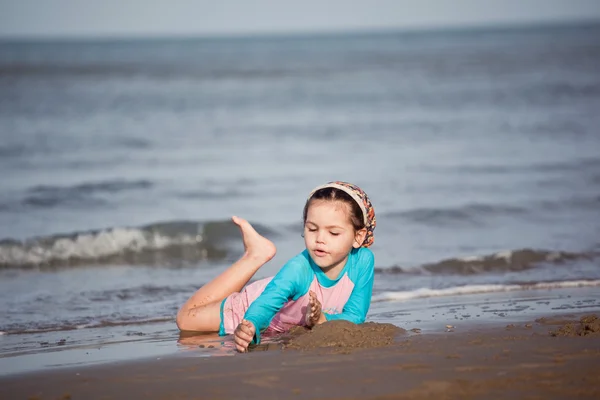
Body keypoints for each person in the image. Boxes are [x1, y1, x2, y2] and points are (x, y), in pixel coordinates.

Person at [176, 181, 376, 353]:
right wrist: (251, 324)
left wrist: (323, 319)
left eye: (333, 233)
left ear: (358, 237)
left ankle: (256, 254)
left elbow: (355, 315)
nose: (319, 240)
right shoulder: (299, 268)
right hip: (250, 306)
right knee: (186, 319)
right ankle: (254, 256)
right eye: (312, 229)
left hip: (277, 313)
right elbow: (267, 302)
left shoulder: (363, 261)